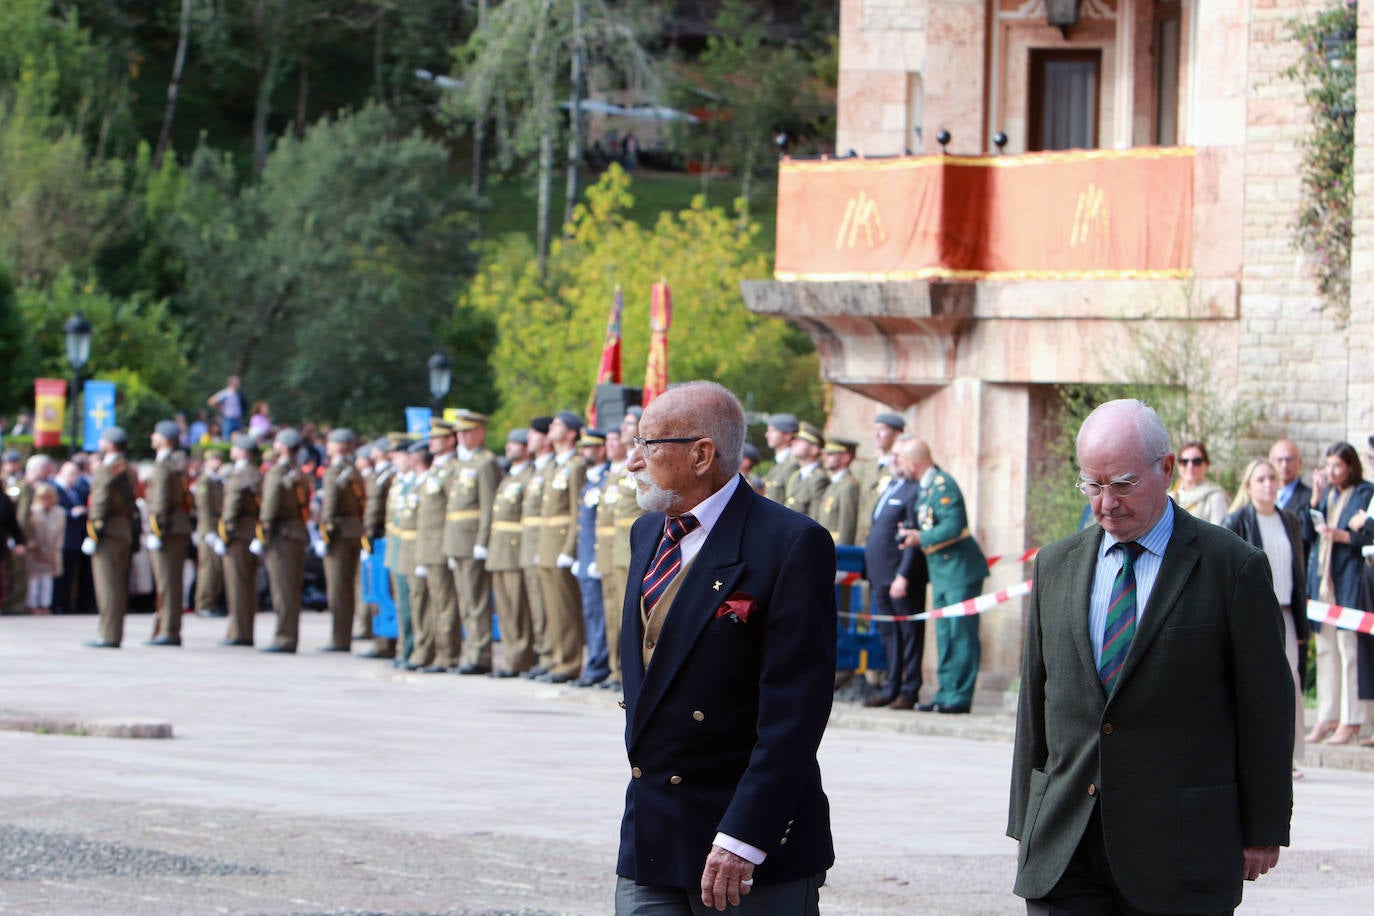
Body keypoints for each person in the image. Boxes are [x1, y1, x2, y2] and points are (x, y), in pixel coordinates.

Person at [1009, 399, 1293, 914]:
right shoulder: (1055, 566)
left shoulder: (1232, 568)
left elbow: (1265, 711)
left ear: (1165, 470)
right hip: (1065, 847)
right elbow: (1036, 703)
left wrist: (1263, 827)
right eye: (1092, 486)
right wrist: (1025, 822)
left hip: (1180, 854)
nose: (1106, 502)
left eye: (1122, 484)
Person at [616, 381, 835, 913]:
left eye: (648, 444)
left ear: (701, 454)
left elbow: (794, 713)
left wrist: (744, 836)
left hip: (743, 840)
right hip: (652, 832)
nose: (632, 462)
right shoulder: (648, 534)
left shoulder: (789, 543)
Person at [1222, 458, 1310, 774]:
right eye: (1261, 479)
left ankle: (1289, 755)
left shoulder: (1291, 520)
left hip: (1285, 611)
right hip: (1253, 613)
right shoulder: (1236, 521)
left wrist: (1302, 622)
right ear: (1249, 486)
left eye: (1272, 478)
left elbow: (1298, 571)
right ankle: (1258, 754)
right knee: (1257, 683)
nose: (1268, 484)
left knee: (1291, 682)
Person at [899, 439, 989, 714]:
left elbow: (953, 526)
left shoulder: (942, 485)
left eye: (903, 461)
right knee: (944, 634)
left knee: (960, 634)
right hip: (941, 572)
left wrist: (920, 537)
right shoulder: (926, 488)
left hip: (959, 570)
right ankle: (944, 693)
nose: (902, 467)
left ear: (913, 463)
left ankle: (959, 696)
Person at [1306, 441, 1374, 745]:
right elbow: (1307, 536)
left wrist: (1342, 535)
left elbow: (1367, 538)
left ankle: (1352, 719)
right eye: (1328, 464)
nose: (1332, 471)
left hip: (1349, 578)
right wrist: (1316, 499)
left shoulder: (1363, 492)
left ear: (1350, 466)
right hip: (1324, 579)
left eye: (1338, 465)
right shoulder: (1327, 494)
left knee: (1350, 650)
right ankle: (1327, 716)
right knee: (1325, 649)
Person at [862, 436, 926, 710]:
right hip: (880, 574)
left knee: (909, 632)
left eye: (899, 455)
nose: (894, 460)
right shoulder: (892, 485)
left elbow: (912, 536)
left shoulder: (915, 491)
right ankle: (891, 686)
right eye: (893, 455)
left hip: (900, 575)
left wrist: (903, 574)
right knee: (889, 633)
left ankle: (909, 689)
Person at [445, 410, 501, 674]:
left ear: (479, 432)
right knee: (465, 601)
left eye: (466, 432)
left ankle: (480, 655)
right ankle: (472, 652)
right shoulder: (461, 464)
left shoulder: (485, 463)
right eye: (459, 433)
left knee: (476, 602)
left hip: (471, 537)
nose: (461, 437)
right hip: (457, 540)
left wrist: (482, 540)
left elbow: (489, 505)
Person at [537, 411, 587, 684]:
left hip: (561, 543)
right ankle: (557, 658)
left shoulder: (576, 465)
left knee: (564, 607)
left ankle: (568, 662)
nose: (552, 428)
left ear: (571, 433)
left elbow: (576, 511)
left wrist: (569, 548)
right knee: (552, 608)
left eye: (558, 425)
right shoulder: (556, 466)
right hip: (547, 542)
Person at [487, 429, 535, 677]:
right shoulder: (509, 476)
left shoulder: (530, 475)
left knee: (518, 607)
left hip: (515, 547)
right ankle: (510, 656)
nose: (509, 447)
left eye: (515, 444)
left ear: (526, 449)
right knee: (505, 608)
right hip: (500, 549)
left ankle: (520, 658)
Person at [260, 428, 311, 653]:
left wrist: (264, 532)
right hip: (296, 532)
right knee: (290, 588)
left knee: (282, 589)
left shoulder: (277, 472)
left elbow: (270, 506)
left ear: (282, 447)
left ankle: (284, 637)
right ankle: (288, 634)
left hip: (282, 535)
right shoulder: (298, 471)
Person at [85, 426, 136, 648]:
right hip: (121, 529)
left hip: (109, 531)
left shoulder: (109, 468)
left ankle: (108, 634)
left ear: (112, 444)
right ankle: (111, 632)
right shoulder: (127, 468)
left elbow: (100, 499)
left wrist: (94, 530)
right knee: (116, 585)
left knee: (108, 586)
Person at [145, 420, 193, 646]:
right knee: (169, 581)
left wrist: (157, 529)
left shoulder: (165, 466)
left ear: (164, 439)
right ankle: (167, 628)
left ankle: (168, 630)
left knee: (167, 583)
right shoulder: (174, 463)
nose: (152, 438)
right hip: (176, 526)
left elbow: (161, 500)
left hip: (168, 527)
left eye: (155, 434)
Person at [317, 428, 365, 652]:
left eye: (330, 442)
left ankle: (339, 639)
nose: (327, 445)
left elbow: (330, 504)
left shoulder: (334, 470)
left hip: (338, 532)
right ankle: (343, 637)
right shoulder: (353, 469)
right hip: (354, 529)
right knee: (347, 587)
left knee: (337, 589)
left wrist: (324, 531)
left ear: (339, 446)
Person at [574, 428, 611, 687]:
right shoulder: (590, 481)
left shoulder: (607, 478)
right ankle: (595, 662)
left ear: (601, 449)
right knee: (591, 611)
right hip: (586, 554)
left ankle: (600, 665)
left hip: (600, 555)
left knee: (601, 612)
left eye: (590, 447)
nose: (585, 452)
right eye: (583, 447)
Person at [219, 434, 262, 646]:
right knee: (246, 584)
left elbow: (232, 507)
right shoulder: (255, 473)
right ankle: (242, 630)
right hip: (251, 531)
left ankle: (239, 632)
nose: (232, 451)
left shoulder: (240, 475)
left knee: (238, 584)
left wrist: (224, 533)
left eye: (235, 448)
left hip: (239, 534)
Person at [193, 449, 227, 619]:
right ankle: (204, 604)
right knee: (208, 569)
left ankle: (211, 602)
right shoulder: (205, 481)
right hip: (208, 530)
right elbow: (204, 508)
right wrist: (209, 532)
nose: (218, 462)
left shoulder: (217, 481)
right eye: (214, 459)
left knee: (216, 569)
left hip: (217, 529)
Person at [1271, 438, 1315, 568]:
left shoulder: (1310, 497)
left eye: (1289, 460)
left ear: (1299, 462)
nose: (1284, 465)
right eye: (1279, 460)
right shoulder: (1262, 496)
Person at [1169, 440, 1230, 524]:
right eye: (1184, 461)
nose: (1190, 466)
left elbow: (1222, 532)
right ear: (1178, 465)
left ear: (1206, 464)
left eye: (1196, 462)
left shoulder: (1215, 497)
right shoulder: (1171, 496)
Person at [24, 483, 63, 614]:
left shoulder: (59, 512)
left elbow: (60, 534)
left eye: (49, 497)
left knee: (47, 579)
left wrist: (53, 551)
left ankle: (45, 604)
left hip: (51, 550)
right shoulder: (33, 511)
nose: (46, 499)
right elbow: (30, 532)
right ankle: (33, 604)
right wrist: (35, 549)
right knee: (34, 579)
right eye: (43, 497)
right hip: (35, 550)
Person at [783, 422, 829, 521]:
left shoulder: (819, 479)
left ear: (814, 449)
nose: (793, 442)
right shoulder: (795, 475)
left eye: (800, 440)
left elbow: (815, 520)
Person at [760, 414, 798, 504]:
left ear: (787, 435)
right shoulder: (779, 461)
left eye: (772, 431)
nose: (767, 435)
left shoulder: (793, 464)